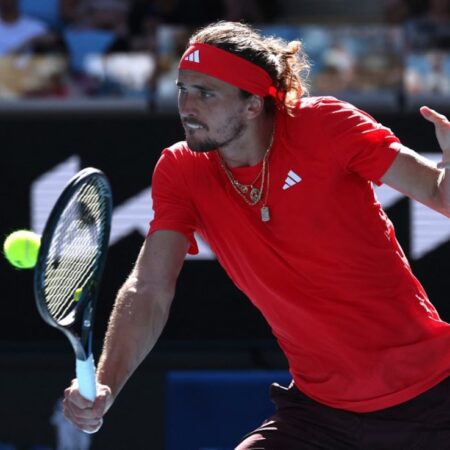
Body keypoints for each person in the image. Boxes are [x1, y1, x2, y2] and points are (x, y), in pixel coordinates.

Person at [63, 21, 450, 449]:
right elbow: (149, 288)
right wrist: (105, 384)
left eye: (205, 93)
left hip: (432, 397)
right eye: (182, 89)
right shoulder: (180, 171)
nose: (186, 106)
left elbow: (438, 192)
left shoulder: (326, 125)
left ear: (252, 104)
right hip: (320, 415)